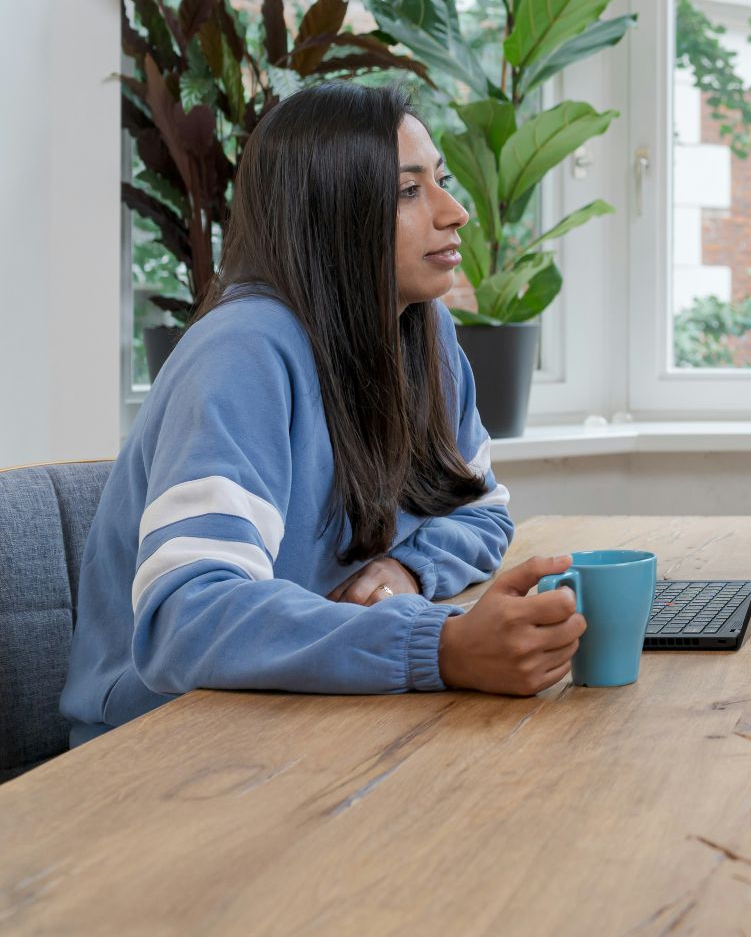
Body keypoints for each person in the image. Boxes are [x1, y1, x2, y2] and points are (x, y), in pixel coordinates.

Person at [62, 83, 586, 745]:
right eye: (408, 191)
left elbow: (481, 509)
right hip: (161, 750)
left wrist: (408, 570)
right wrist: (438, 647)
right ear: (330, 212)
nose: (454, 213)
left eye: (442, 182)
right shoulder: (243, 352)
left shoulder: (424, 333)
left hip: (308, 716)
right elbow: (185, 620)